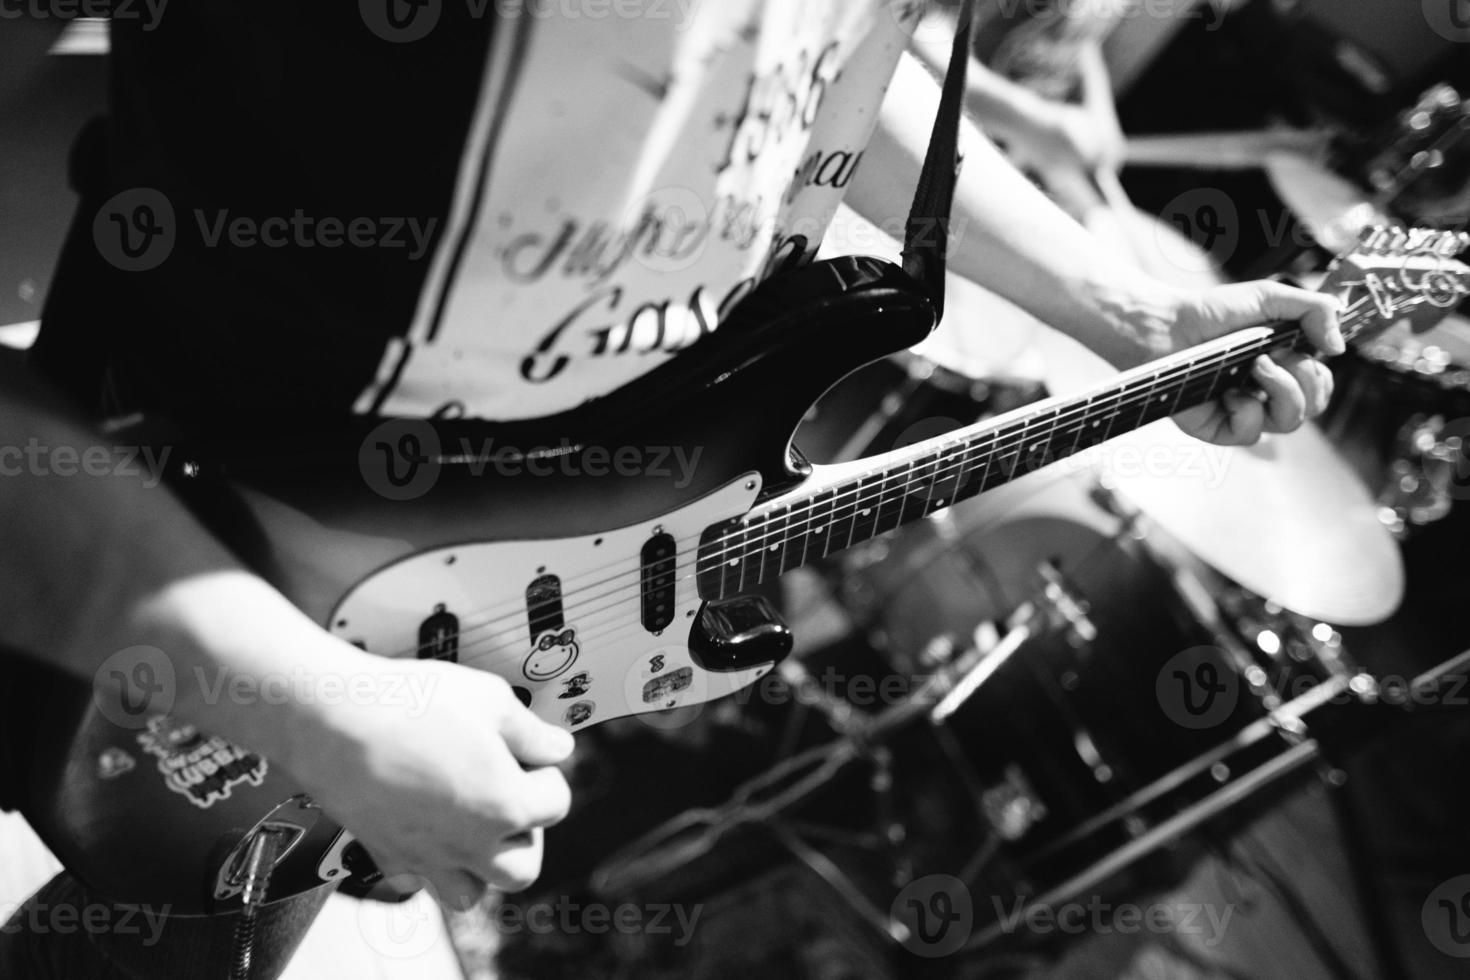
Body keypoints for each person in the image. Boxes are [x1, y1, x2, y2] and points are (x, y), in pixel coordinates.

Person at [0, 3, 1340, 977]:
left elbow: (812, 65)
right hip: (126, 559)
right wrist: (316, 700)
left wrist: (1131, 312)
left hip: (443, 649)